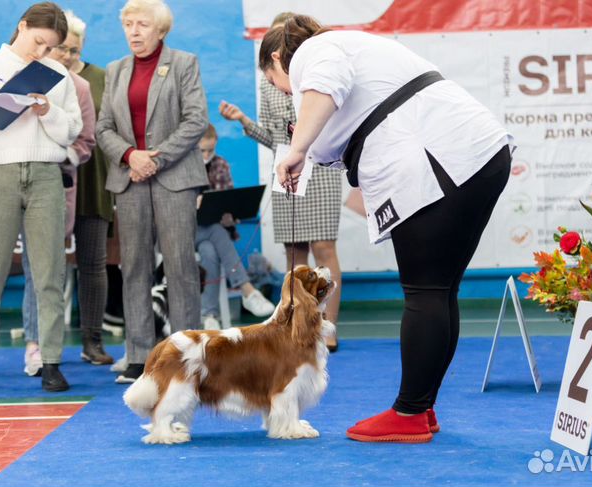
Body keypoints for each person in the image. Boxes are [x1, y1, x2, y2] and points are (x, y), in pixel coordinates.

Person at [267, 16, 512, 443]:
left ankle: (410, 412)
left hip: (438, 161)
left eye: (278, 84)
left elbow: (323, 86)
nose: (288, 94)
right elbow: (336, 133)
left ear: (277, 59)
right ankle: (422, 405)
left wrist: (297, 149)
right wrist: (308, 147)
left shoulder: (314, 52)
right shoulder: (354, 49)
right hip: (475, 155)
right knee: (438, 290)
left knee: (425, 292)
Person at [0, 1, 82, 392]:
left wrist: (47, 111)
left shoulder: (57, 74)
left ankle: (50, 362)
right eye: (39, 41)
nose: (42, 53)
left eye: (50, 48)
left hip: (46, 174)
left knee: (49, 272)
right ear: (22, 26)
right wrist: (4, 106)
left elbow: (72, 131)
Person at [97, 0, 209, 384]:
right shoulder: (115, 71)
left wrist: (154, 160)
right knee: (134, 268)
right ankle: (139, 354)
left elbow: (197, 120)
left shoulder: (183, 63)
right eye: (128, 24)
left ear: (161, 30)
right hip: (130, 180)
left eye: (142, 24)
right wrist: (131, 156)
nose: (133, 31)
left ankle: (188, 352)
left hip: (173, 177)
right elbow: (103, 128)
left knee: (180, 266)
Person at [219, 12, 342, 351]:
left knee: (324, 248)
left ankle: (328, 329)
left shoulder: (316, 72)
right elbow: (274, 137)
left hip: (321, 164)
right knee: (294, 251)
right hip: (287, 164)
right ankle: (301, 327)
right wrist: (243, 120)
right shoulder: (267, 82)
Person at [53, 10, 116, 365]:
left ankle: (92, 341)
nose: (66, 56)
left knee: (93, 263)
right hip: (55, 180)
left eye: (73, 50)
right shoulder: (40, 78)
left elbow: (110, 127)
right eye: (60, 48)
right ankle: (46, 347)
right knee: (48, 267)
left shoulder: (101, 78)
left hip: (93, 181)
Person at [196, 124, 275, 330]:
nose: (206, 155)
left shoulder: (220, 164)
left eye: (210, 150)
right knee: (215, 230)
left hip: (211, 234)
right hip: (185, 232)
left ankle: (209, 315)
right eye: (202, 150)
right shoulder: (184, 167)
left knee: (210, 250)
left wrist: (229, 215)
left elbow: (225, 201)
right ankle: (247, 289)